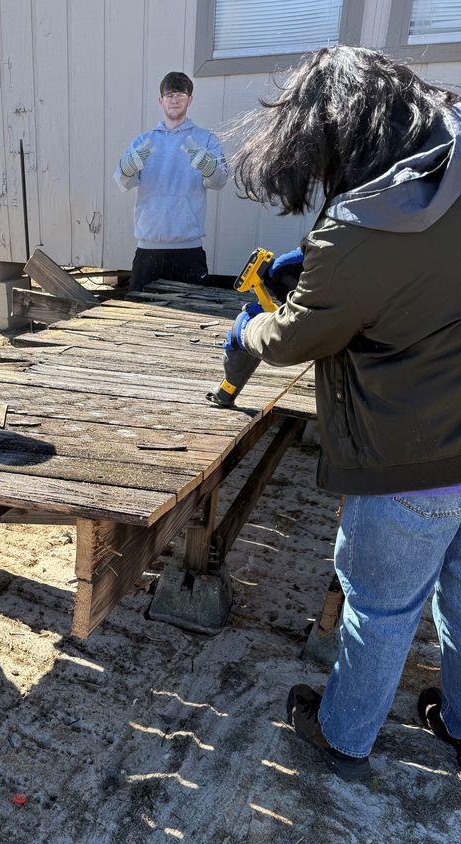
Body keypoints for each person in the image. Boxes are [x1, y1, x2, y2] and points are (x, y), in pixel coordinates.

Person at [223, 46, 461, 782]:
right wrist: (319, 272)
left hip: (409, 460)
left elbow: (296, 339)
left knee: (381, 610)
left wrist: (248, 331)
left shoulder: (362, 226)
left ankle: (343, 738)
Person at [113, 71, 228, 293]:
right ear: (161, 101)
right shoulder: (143, 141)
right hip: (148, 250)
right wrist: (127, 168)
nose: (174, 100)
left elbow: (219, 181)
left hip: (188, 249)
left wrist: (208, 166)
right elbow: (122, 182)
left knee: (189, 318)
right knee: (140, 315)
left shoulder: (205, 139)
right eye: (169, 95)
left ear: (190, 100)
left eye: (181, 94)